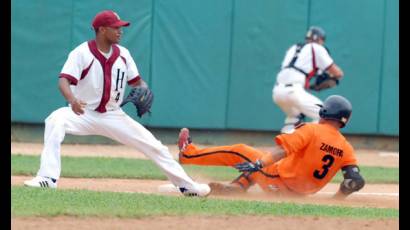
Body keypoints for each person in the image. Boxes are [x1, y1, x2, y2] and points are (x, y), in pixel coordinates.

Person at [23, 10, 210, 197]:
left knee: (154, 146)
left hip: (113, 115)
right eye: (116, 28)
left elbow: (137, 81)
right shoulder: (81, 53)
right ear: (102, 30)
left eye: (121, 28)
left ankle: (187, 187)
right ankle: (47, 178)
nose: (121, 31)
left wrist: (143, 88)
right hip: (83, 112)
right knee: (55, 120)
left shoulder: (124, 55)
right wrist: (72, 101)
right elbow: (63, 81)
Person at [177, 95, 365, 198]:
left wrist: (259, 163)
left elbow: (282, 150)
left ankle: (188, 154)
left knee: (241, 151)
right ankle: (238, 187)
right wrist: (338, 199)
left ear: (324, 112)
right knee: (262, 161)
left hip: (278, 182)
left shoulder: (312, 130)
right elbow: (355, 180)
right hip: (299, 195)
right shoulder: (346, 147)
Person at [272, 26, 344, 134]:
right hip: (293, 91)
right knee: (324, 114)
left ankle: (287, 144)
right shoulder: (317, 47)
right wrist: (331, 79)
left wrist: (312, 86)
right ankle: (306, 141)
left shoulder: (293, 48)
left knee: (293, 119)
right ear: (320, 39)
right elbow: (338, 73)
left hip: (277, 93)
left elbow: (295, 71)